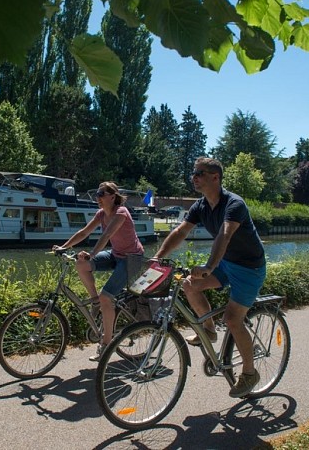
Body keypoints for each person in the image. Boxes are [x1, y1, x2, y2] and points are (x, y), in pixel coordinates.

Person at [153, 157, 266, 398]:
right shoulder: (200, 206)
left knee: (233, 320)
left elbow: (224, 236)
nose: (194, 177)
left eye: (199, 173)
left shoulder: (234, 204)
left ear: (215, 177)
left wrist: (208, 266)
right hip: (227, 263)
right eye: (193, 173)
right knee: (189, 285)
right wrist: (158, 257)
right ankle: (209, 330)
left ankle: (249, 373)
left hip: (249, 268)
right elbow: (180, 231)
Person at [53, 182, 144, 361]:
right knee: (81, 264)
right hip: (115, 254)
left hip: (131, 258)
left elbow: (106, 236)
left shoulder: (121, 212)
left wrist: (92, 254)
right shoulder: (101, 214)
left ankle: (106, 343)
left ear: (113, 196)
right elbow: (84, 232)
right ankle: (95, 301)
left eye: (102, 193)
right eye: (97, 193)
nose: (98, 197)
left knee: (106, 297)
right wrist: (63, 247)